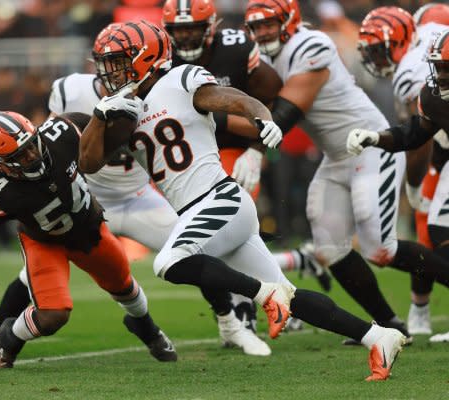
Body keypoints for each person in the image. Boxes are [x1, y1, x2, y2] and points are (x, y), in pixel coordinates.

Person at [79, 20, 406, 381]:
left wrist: (263, 117)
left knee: (170, 262)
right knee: (292, 297)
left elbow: (235, 99)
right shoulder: (123, 109)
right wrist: (100, 115)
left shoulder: (180, 79)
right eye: (107, 63)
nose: (110, 71)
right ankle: (378, 336)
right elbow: (89, 162)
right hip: (206, 210)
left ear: (146, 58)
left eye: (119, 60)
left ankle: (265, 295)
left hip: (219, 198)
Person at [0, 66, 272, 359]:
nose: (117, 71)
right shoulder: (70, 90)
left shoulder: (155, 92)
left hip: (138, 196)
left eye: (123, 63)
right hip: (87, 196)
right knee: (32, 274)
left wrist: (254, 139)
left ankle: (230, 324)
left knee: (192, 251)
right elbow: (49, 145)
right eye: (110, 63)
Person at [243, 0, 449, 345]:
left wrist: (250, 146)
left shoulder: (312, 44)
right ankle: (388, 324)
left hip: (371, 151)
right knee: (329, 247)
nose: (262, 32)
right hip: (338, 155)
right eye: (256, 26)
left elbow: (289, 109)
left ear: (291, 19)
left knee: (380, 249)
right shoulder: (263, 58)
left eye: (269, 23)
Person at [0, 110, 177, 368]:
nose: (33, 155)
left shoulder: (60, 132)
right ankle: (9, 336)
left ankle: (148, 330)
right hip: (44, 244)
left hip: (89, 230)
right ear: (2, 165)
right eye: (21, 155)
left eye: (32, 145)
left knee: (123, 285)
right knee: (52, 316)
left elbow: (94, 124)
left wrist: (111, 121)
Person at [162, 0, 331, 333]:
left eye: (192, 30)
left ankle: (245, 313)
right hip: (192, 152)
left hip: (232, 147)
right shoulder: (162, 58)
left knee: (219, 234)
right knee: (218, 240)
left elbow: (272, 106)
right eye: (178, 31)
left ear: (210, 27)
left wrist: (256, 149)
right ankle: (289, 276)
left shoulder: (237, 48)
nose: (185, 38)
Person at [346, 28, 449, 344]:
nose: (441, 75)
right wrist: (377, 138)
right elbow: (415, 134)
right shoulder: (432, 94)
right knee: (439, 231)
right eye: (439, 67)